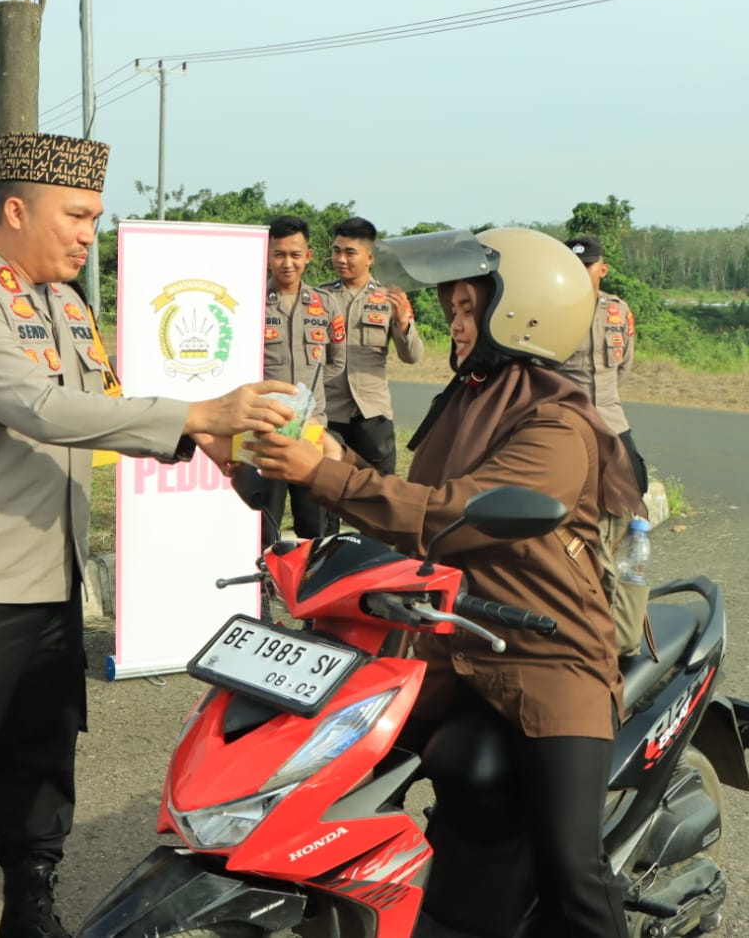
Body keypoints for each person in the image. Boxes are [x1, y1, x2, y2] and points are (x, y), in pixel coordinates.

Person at [0, 133, 295, 938]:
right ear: (16, 211)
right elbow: (39, 408)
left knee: (40, 765)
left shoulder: (66, 306)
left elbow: (106, 409)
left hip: (50, 586)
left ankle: (29, 910)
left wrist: (210, 441)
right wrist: (195, 413)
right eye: (76, 215)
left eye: (96, 217)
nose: (90, 233)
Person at [248, 228, 644, 938]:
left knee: (570, 864)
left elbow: (452, 516)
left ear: (519, 313)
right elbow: (409, 496)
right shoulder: (465, 399)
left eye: (468, 309)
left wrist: (323, 477)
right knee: (329, 786)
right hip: (450, 643)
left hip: (547, 658)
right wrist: (314, 450)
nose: (455, 324)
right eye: (452, 309)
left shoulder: (554, 420)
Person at [558, 233, 650, 656]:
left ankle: (620, 629)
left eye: (588, 265)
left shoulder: (618, 310)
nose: (581, 272)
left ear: (602, 268)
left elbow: (624, 364)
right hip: (570, 425)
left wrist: (604, 405)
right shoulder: (553, 308)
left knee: (627, 514)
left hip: (613, 422)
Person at [321, 216, 425, 476]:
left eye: (350, 253)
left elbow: (413, 356)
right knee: (325, 492)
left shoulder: (388, 298)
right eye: (336, 251)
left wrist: (402, 323)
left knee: (379, 495)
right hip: (328, 413)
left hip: (372, 413)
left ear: (370, 257)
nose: (341, 259)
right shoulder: (319, 298)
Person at [258, 215, 337, 544]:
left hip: (311, 428)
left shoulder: (325, 304)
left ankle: (309, 590)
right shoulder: (252, 303)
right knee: (264, 520)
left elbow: (336, 363)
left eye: (295, 254)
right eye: (279, 254)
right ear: (267, 256)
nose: (287, 263)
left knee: (314, 521)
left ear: (309, 255)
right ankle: (263, 592)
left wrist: (311, 406)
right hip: (265, 426)